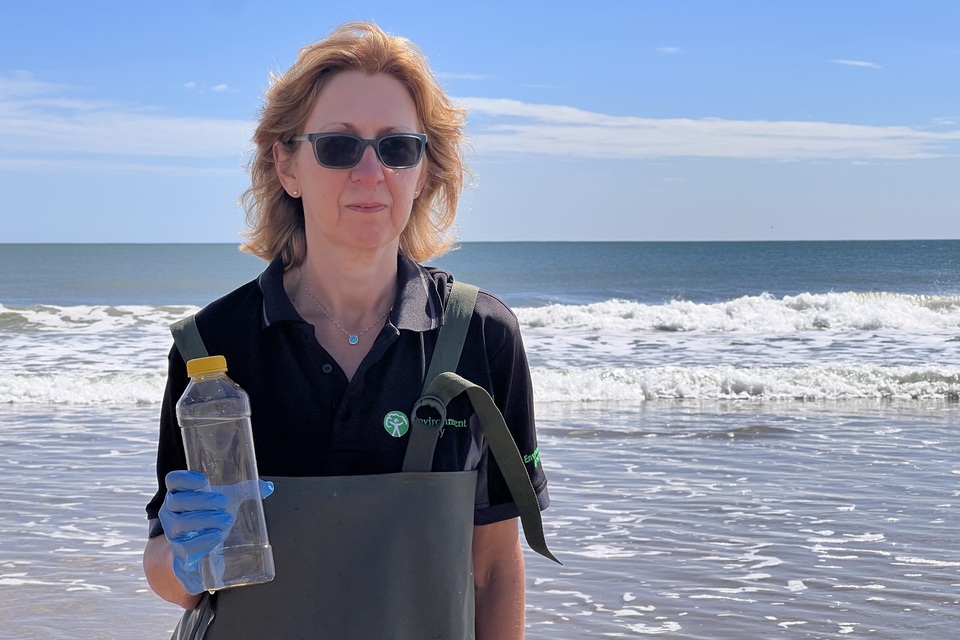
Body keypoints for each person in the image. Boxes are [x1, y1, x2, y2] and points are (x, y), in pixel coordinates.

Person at [142, 21, 551, 639]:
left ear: (423, 171)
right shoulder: (210, 349)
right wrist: (183, 554)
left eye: (397, 147)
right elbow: (172, 579)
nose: (370, 171)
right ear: (287, 166)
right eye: (337, 146)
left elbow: (494, 570)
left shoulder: (482, 336)